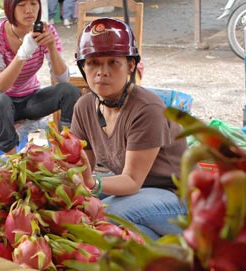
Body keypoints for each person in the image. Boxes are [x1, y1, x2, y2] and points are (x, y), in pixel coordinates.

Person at [71, 17, 188, 240]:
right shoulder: (84, 107)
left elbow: (132, 180)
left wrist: (92, 183)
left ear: (130, 65)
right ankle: (169, 249)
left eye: (113, 62)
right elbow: (81, 168)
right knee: (84, 216)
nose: (101, 72)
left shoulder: (147, 108)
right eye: (93, 62)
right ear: (82, 66)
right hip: (139, 196)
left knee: (107, 213)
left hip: (178, 198)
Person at [0, 0, 81, 155]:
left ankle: (67, 149)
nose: (29, 10)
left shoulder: (46, 31)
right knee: (1, 101)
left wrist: (51, 46)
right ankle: (12, 161)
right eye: (21, 5)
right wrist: (24, 52)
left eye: (33, 4)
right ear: (10, 8)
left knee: (70, 91)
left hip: (29, 101)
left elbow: (62, 79)